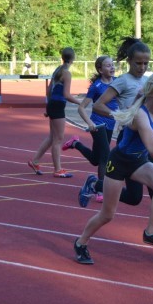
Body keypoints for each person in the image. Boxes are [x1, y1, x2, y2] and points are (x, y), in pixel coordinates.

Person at [73, 73, 153, 265]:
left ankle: (151, 233)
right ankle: (81, 243)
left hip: (138, 161)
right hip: (119, 163)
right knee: (107, 215)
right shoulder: (140, 115)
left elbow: (149, 149)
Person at [91, 38, 153, 264]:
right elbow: (98, 105)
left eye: (146, 63)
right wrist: (122, 116)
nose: (142, 67)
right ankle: (97, 184)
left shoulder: (149, 82)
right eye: (138, 63)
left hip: (147, 144)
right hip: (130, 143)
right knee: (134, 198)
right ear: (129, 61)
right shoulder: (121, 82)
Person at [65, 55, 118, 205]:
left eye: (112, 64)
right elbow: (81, 108)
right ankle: (100, 190)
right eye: (108, 65)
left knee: (95, 159)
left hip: (110, 123)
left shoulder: (117, 82)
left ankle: (75, 144)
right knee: (105, 156)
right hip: (98, 124)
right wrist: (90, 123)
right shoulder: (96, 86)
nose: (112, 67)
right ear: (100, 70)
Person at [27, 47, 83, 178]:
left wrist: (48, 107)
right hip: (58, 106)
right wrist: (80, 102)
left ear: (62, 57)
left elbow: (48, 91)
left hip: (53, 104)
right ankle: (57, 169)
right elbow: (66, 95)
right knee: (58, 139)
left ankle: (35, 161)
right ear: (73, 58)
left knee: (52, 137)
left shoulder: (57, 70)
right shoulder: (67, 73)